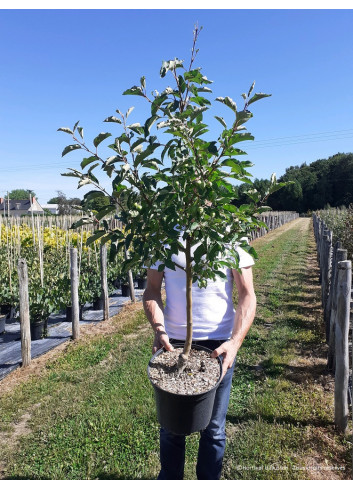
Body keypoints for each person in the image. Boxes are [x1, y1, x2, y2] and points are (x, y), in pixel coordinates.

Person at [143, 240, 256, 480]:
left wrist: (234, 343)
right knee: (171, 428)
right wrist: (159, 329)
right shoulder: (162, 232)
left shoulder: (232, 233)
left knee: (214, 429)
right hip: (173, 343)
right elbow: (152, 288)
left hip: (219, 344)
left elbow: (248, 294)